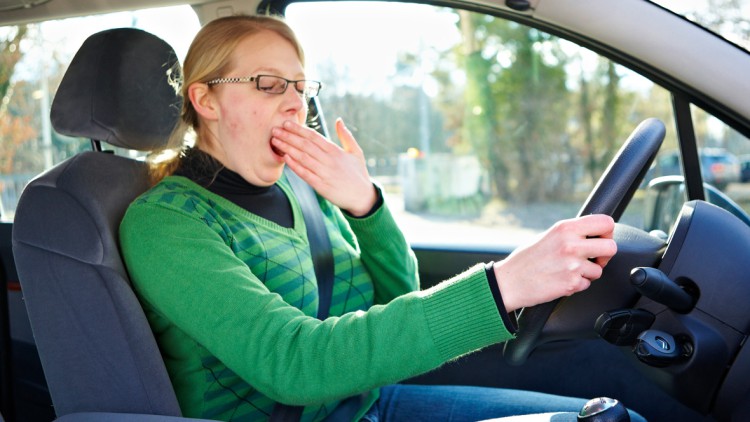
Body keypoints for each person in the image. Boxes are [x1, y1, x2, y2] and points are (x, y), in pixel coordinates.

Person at [119, 14, 641, 422]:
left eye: (301, 87)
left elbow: (395, 297)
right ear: (205, 99)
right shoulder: (166, 223)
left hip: (368, 406)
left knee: (618, 418)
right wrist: (504, 285)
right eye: (269, 84)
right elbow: (295, 364)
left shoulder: (304, 187)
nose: (295, 106)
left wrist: (365, 204)